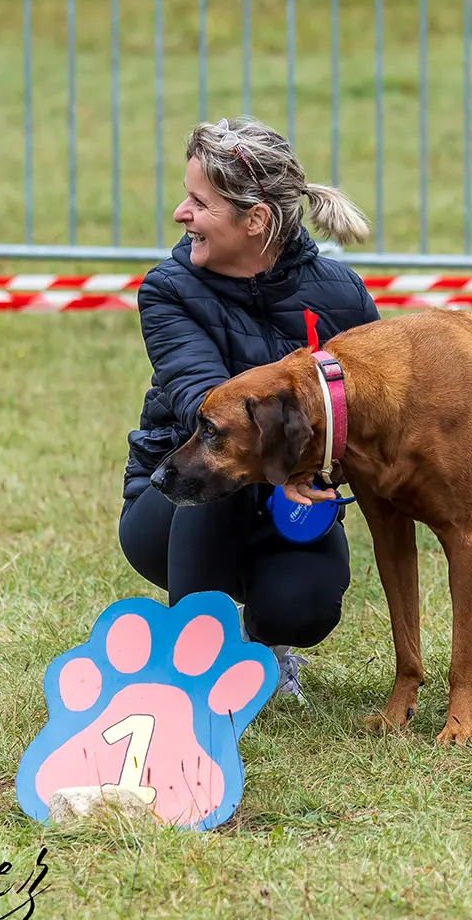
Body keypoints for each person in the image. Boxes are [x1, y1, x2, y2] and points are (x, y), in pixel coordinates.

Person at [118, 117, 378, 702]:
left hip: (297, 503)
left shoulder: (342, 295)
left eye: (198, 202)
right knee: (222, 460)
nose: (181, 215)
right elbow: (200, 403)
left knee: (303, 608)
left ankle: (266, 648)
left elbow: (370, 414)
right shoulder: (168, 289)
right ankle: (191, 669)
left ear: (256, 220)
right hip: (176, 499)